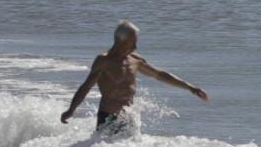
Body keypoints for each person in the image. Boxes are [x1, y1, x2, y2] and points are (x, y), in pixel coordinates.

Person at [59, 21, 209, 133]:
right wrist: (72, 109)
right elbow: (86, 87)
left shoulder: (135, 60)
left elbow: (159, 75)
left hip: (129, 116)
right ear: (121, 41)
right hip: (108, 117)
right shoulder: (104, 61)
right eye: (133, 42)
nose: (136, 46)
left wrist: (190, 87)